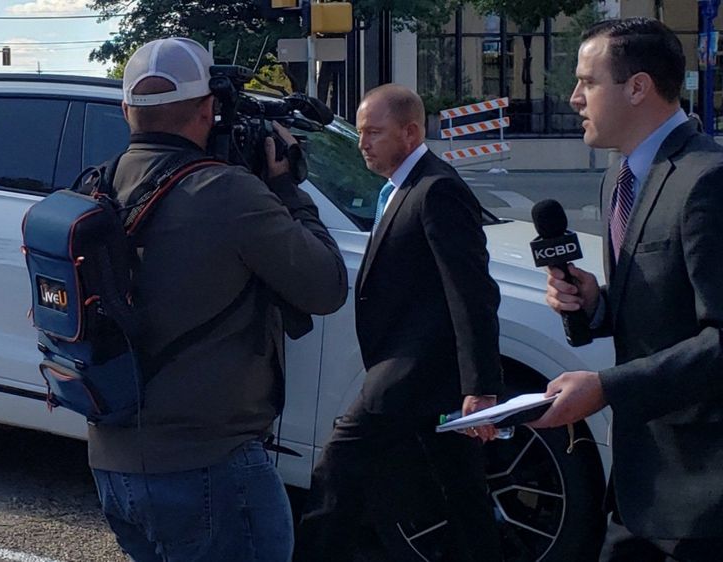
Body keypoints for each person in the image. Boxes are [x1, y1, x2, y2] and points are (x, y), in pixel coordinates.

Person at [87, 37, 348, 562]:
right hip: (209, 467)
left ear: (125, 111)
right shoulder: (227, 193)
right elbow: (325, 286)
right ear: (209, 109)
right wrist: (286, 189)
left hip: (113, 465)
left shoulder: (101, 183)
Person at [530, 18, 723, 561]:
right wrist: (595, 305)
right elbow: (663, 309)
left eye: (587, 82)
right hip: (640, 482)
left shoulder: (707, 179)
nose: (573, 98)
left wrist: (607, 387)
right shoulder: (619, 177)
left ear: (637, 87)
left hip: (702, 495)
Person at [294, 84, 504, 562]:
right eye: (362, 132)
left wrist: (481, 387)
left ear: (410, 133)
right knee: (462, 492)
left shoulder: (438, 189)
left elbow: (472, 292)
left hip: (414, 374)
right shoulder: (398, 188)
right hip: (415, 375)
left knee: (337, 476)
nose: (363, 142)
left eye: (374, 132)